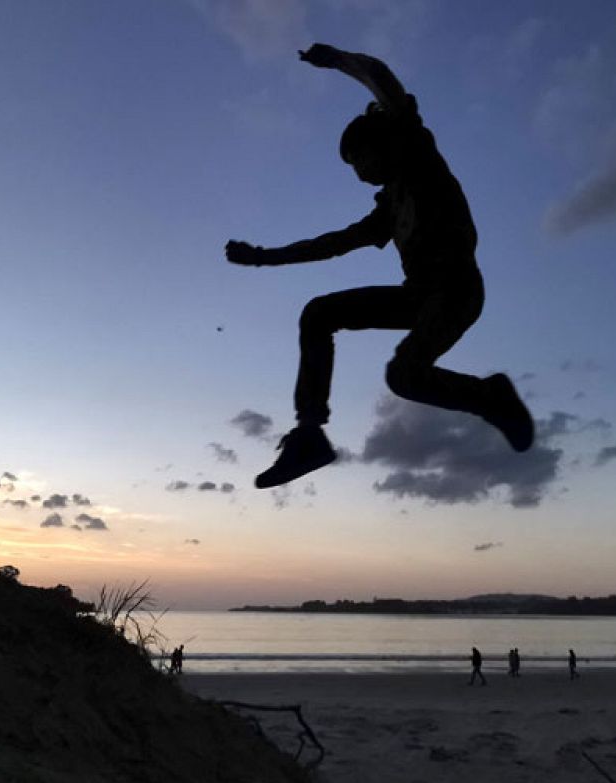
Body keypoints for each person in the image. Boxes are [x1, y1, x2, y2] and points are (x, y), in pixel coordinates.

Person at [226, 43, 536, 489]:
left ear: (380, 144)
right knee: (319, 313)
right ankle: (310, 434)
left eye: (359, 160)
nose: (357, 173)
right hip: (417, 296)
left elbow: (382, 79)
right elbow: (332, 244)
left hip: (457, 289)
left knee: (405, 375)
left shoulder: (417, 156)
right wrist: (262, 257)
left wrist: (334, 59)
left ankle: (491, 397)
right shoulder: (389, 206)